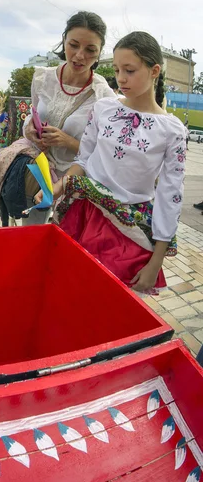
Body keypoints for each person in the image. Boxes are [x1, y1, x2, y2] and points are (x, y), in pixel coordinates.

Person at [37, 31, 186, 295]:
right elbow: (84, 159)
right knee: (66, 293)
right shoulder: (104, 109)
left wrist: (156, 261)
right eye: (117, 70)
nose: (121, 78)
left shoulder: (172, 130)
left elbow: (169, 195)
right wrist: (57, 187)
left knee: (109, 304)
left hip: (128, 234)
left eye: (129, 70)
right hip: (82, 217)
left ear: (154, 71)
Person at [0, 11, 115, 226]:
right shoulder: (43, 78)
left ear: (99, 53)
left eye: (90, 50)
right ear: (64, 41)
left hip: (73, 179)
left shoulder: (103, 95)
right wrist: (31, 129)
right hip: (35, 171)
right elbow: (34, 114)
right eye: (74, 45)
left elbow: (104, 152)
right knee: (30, 233)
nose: (79, 55)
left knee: (66, 240)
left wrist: (67, 141)